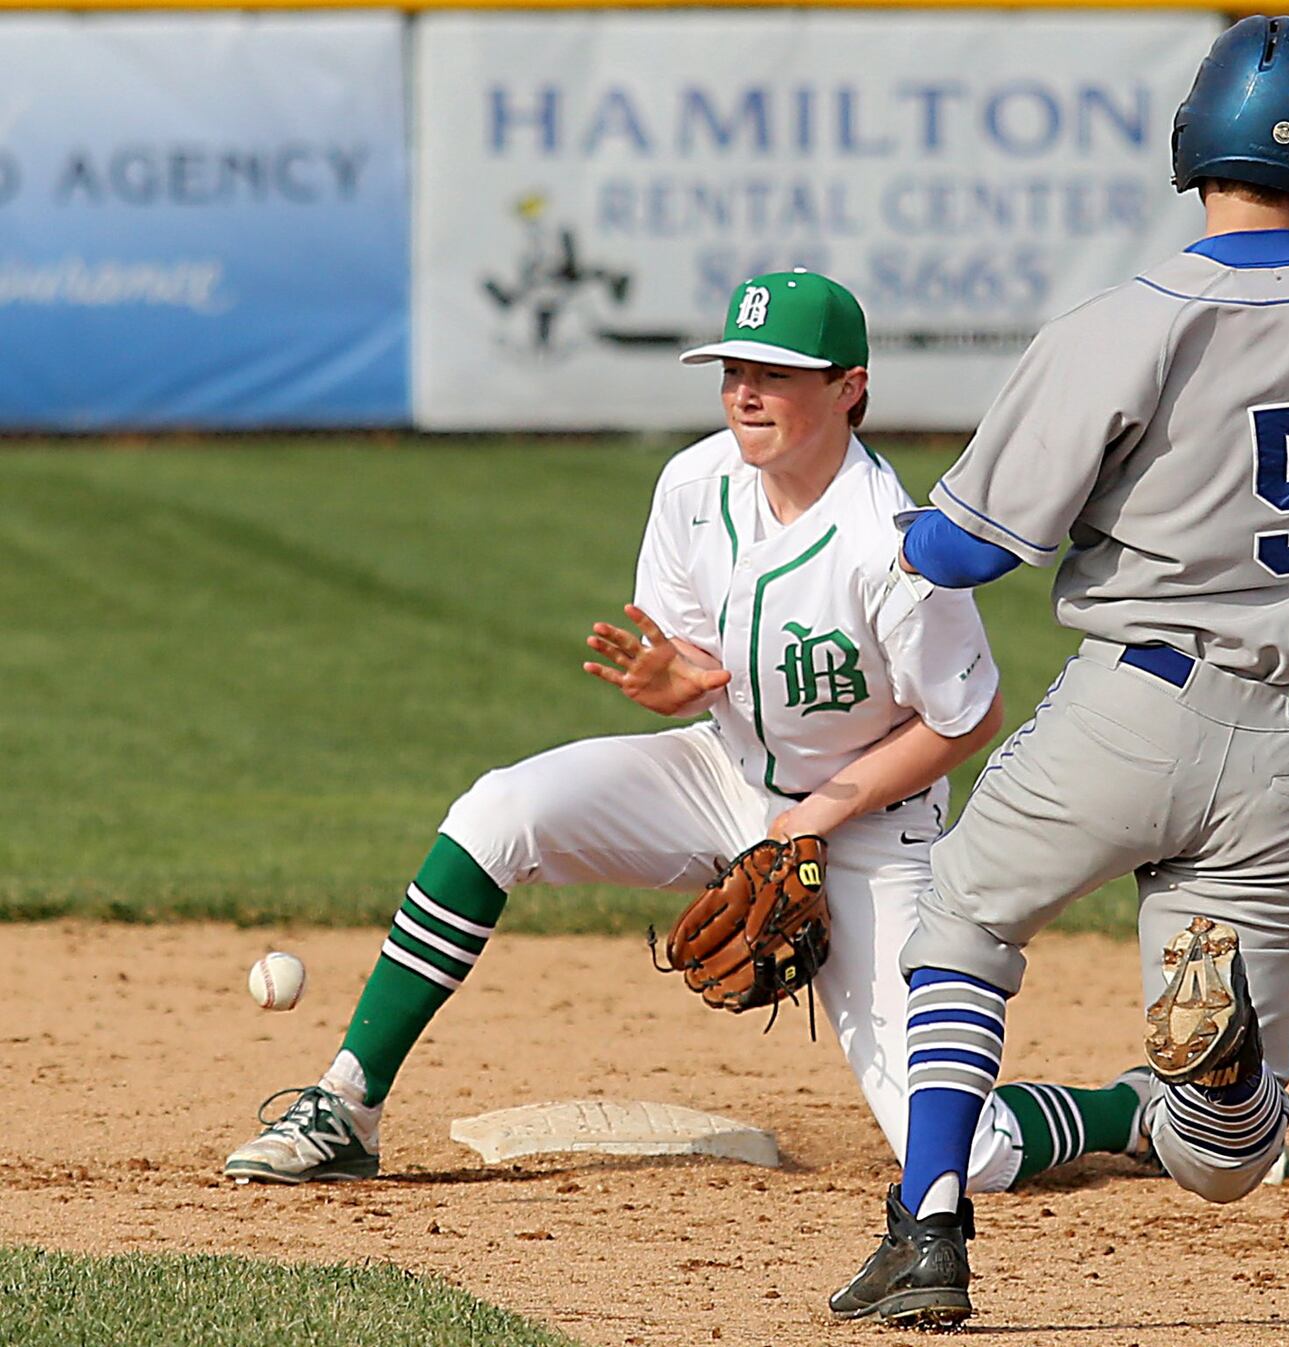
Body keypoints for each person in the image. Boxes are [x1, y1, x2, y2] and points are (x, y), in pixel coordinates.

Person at [830, 16, 1289, 1326]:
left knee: (964, 926)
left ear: (1191, 137)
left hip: (1130, 711)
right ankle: (1218, 1085)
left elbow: (968, 550)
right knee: (1224, 1160)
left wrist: (903, 529)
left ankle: (930, 1223)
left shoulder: (1122, 322)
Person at [223, 270, 1154, 1193]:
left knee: (964, 1156)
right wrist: (673, 684)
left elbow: (969, 716)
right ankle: (347, 1105)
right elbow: (701, 661)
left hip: (871, 826)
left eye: (779, 373)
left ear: (849, 387)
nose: (747, 392)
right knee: (497, 812)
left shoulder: (889, 543)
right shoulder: (694, 485)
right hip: (722, 772)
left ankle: (1140, 1107)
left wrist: (814, 820)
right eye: (734, 368)